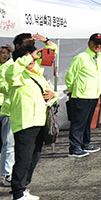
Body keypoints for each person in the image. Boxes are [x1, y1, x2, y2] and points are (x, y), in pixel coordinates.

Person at [6, 33, 58, 200]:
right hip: (25, 121)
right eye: (31, 60)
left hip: (39, 120)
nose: (34, 62)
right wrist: (26, 58)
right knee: (23, 157)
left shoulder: (37, 74)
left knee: (34, 156)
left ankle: (24, 187)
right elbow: (11, 75)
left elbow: (49, 93)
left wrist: (52, 94)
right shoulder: (15, 73)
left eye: (34, 60)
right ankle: (17, 192)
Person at [64, 33, 101, 158]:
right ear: (89, 43)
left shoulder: (99, 57)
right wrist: (71, 90)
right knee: (78, 122)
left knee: (87, 122)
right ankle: (74, 147)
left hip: (93, 94)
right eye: (95, 43)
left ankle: (85, 143)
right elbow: (70, 76)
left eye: (100, 43)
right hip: (81, 95)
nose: (98, 45)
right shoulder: (81, 57)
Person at [0, 45, 14, 185]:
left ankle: (7, 172)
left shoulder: (12, 65)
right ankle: (6, 173)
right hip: (6, 109)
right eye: (2, 53)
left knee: (9, 143)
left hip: (9, 108)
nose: (5, 55)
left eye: (7, 53)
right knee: (7, 143)